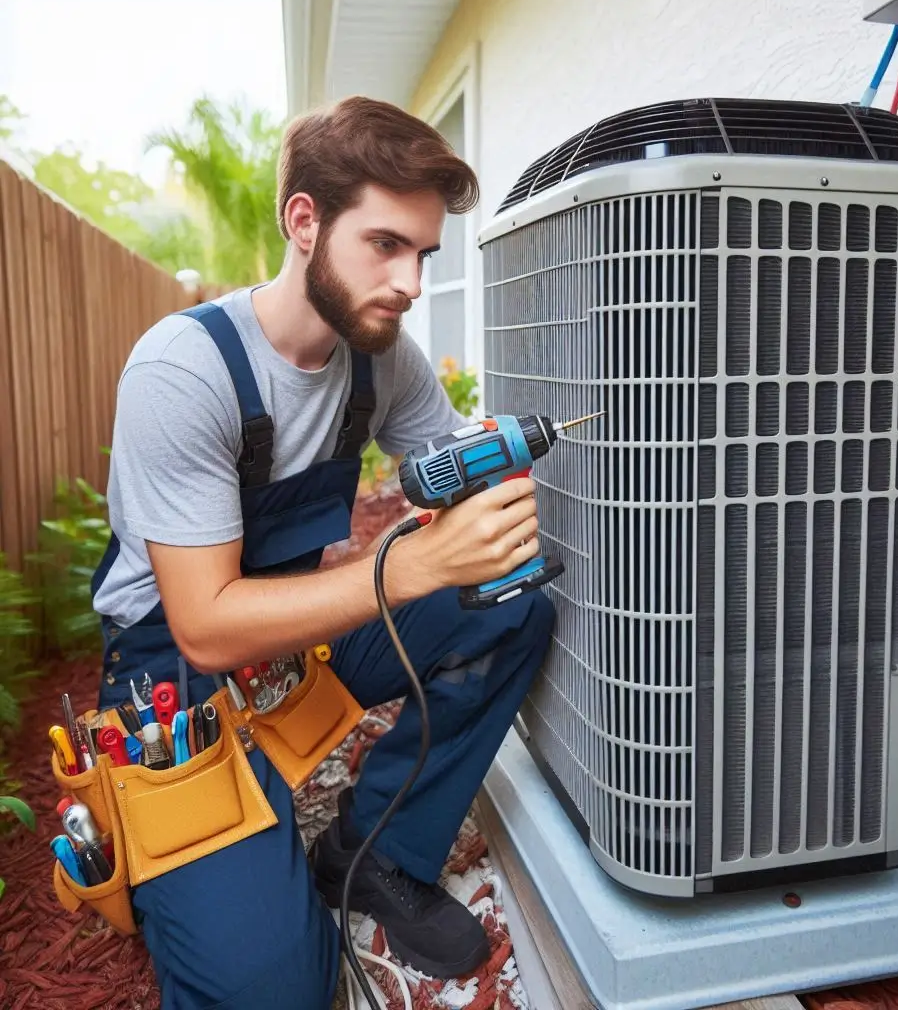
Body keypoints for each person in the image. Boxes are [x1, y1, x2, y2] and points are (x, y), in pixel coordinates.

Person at [90, 95, 556, 1010]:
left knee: (512, 603)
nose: (412, 281)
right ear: (304, 221)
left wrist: (489, 482)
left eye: (423, 253)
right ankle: (202, 868)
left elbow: (448, 469)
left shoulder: (382, 359)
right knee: (274, 991)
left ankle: (377, 851)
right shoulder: (184, 372)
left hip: (296, 646)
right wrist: (414, 565)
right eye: (385, 244)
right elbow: (207, 625)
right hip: (175, 681)